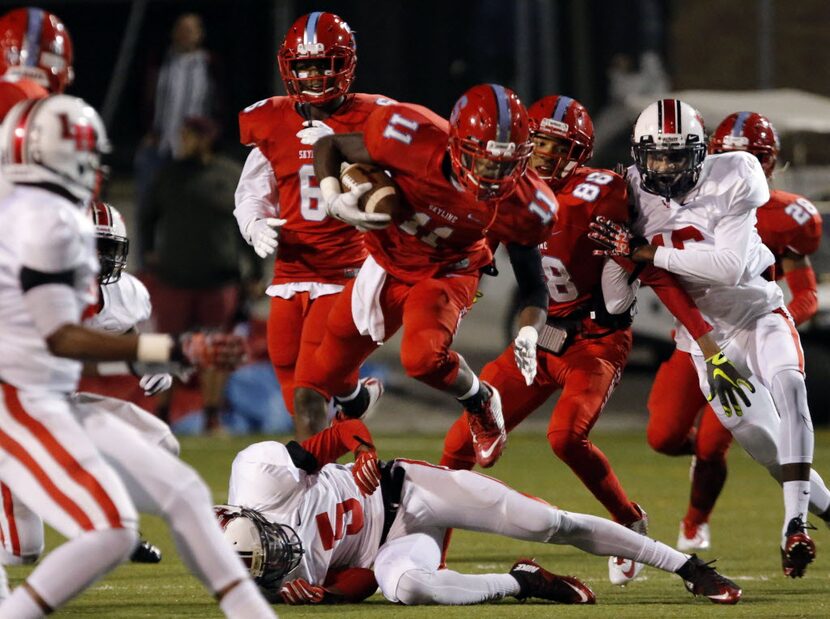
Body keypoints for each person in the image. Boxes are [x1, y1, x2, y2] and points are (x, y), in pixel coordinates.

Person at [441, 95, 751, 586]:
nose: (544, 153)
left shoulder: (600, 193)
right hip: (543, 333)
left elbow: (643, 270)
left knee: (565, 437)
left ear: (579, 152)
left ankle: (629, 519)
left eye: (557, 145)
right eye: (538, 141)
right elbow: (479, 247)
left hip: (595, 338)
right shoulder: (505, 188)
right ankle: (433, 562)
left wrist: (706, 342)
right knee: (456, 447)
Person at [0, 94, 275, 618]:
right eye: (78, 158)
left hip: (43, 397)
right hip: (15, 403)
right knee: (70, 540)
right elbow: (63, 338)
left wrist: (157, 360)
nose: (90, 171)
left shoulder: (48, 222)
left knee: (182, 490)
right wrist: (171, 348)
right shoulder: (36, 226)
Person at [590, 98, 830, 578]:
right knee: (767, 449)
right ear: (639, 154)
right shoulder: (631, 192)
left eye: (677, 156)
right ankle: (813, 512)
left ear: (700, 153)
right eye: (656, 155)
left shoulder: (736, 171)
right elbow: (617, 302)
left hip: (757, 312)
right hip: (704, 341)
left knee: (790, 385)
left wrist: (646, 252)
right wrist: (618, 256)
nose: (666, 167)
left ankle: (794, 524)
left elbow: (731, 267)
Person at [216, 418, 743, 606]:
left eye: (273, 541)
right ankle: (523, 582)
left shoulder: (261, 471)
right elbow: (363, 579)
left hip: (408, 490)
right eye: (272, 561)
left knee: (548, 522)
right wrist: (327, 596)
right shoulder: (265, 581)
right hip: (390, 546)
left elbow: (341, 429)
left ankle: (688, 567)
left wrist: (364, 453)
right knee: (412, 589)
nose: (285, 552)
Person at [302, 83, 559, 466]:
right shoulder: (409, 136)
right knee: (326, 372)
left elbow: (534, 286)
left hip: (448, 272)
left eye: (505, 165)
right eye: (484, 160)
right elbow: (330, 146)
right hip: (388, 262)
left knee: (421, 358)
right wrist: (333, 196)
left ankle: (481, 401)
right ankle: (357, 400)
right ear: (456, 144)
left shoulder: (527, 205)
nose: (493, 175)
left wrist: (529, 331)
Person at [645, 111, 825, 552]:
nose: (744, 163)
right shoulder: (668, 196)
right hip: (699, 339)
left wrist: (775, 333)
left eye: (756, 156)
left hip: (755, 322)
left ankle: (697, 523)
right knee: (664, 436)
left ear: (771, 161)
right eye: (732, 154)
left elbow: (805, 293)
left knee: (722, 442)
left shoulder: (787, 214)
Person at [233, 11, 386, 440]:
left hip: (345, 271)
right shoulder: (272, 120)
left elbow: (406, 172)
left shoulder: (374, 116)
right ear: (290, 68)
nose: (315, 74)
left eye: (324, 64)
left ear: (345, 64)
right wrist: (254, 224)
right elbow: (250, 191)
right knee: (286, 367)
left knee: (309, 387)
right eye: (306, 65)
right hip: (290, 268)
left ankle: (315, 477)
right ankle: (352, 414)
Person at [141, 115, 253, 432]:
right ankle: (160, 415)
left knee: (215, 350)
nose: (183, 142)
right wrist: (148, 251)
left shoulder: (230, 174)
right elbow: (148, 216)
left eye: (189, 136)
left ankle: (212, 416)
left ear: (205, 138)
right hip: (174, 277)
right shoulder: (168, 174)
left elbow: (248, 221)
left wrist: (255, 270)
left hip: (219, 278)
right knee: (166, 346)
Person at [135, 12, 217, 261]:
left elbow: (219, 106)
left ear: (200, 34)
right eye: (181, 28)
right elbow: (143, 100)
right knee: (148, 211)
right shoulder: (160, 61)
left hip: (193, 153)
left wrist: (209, 141)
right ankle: (146, 268)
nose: (185, 34)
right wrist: (148, 131)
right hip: (160, 148)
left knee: (191, 213)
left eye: (191, 29)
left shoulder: (210, 65)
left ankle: (185, 267)